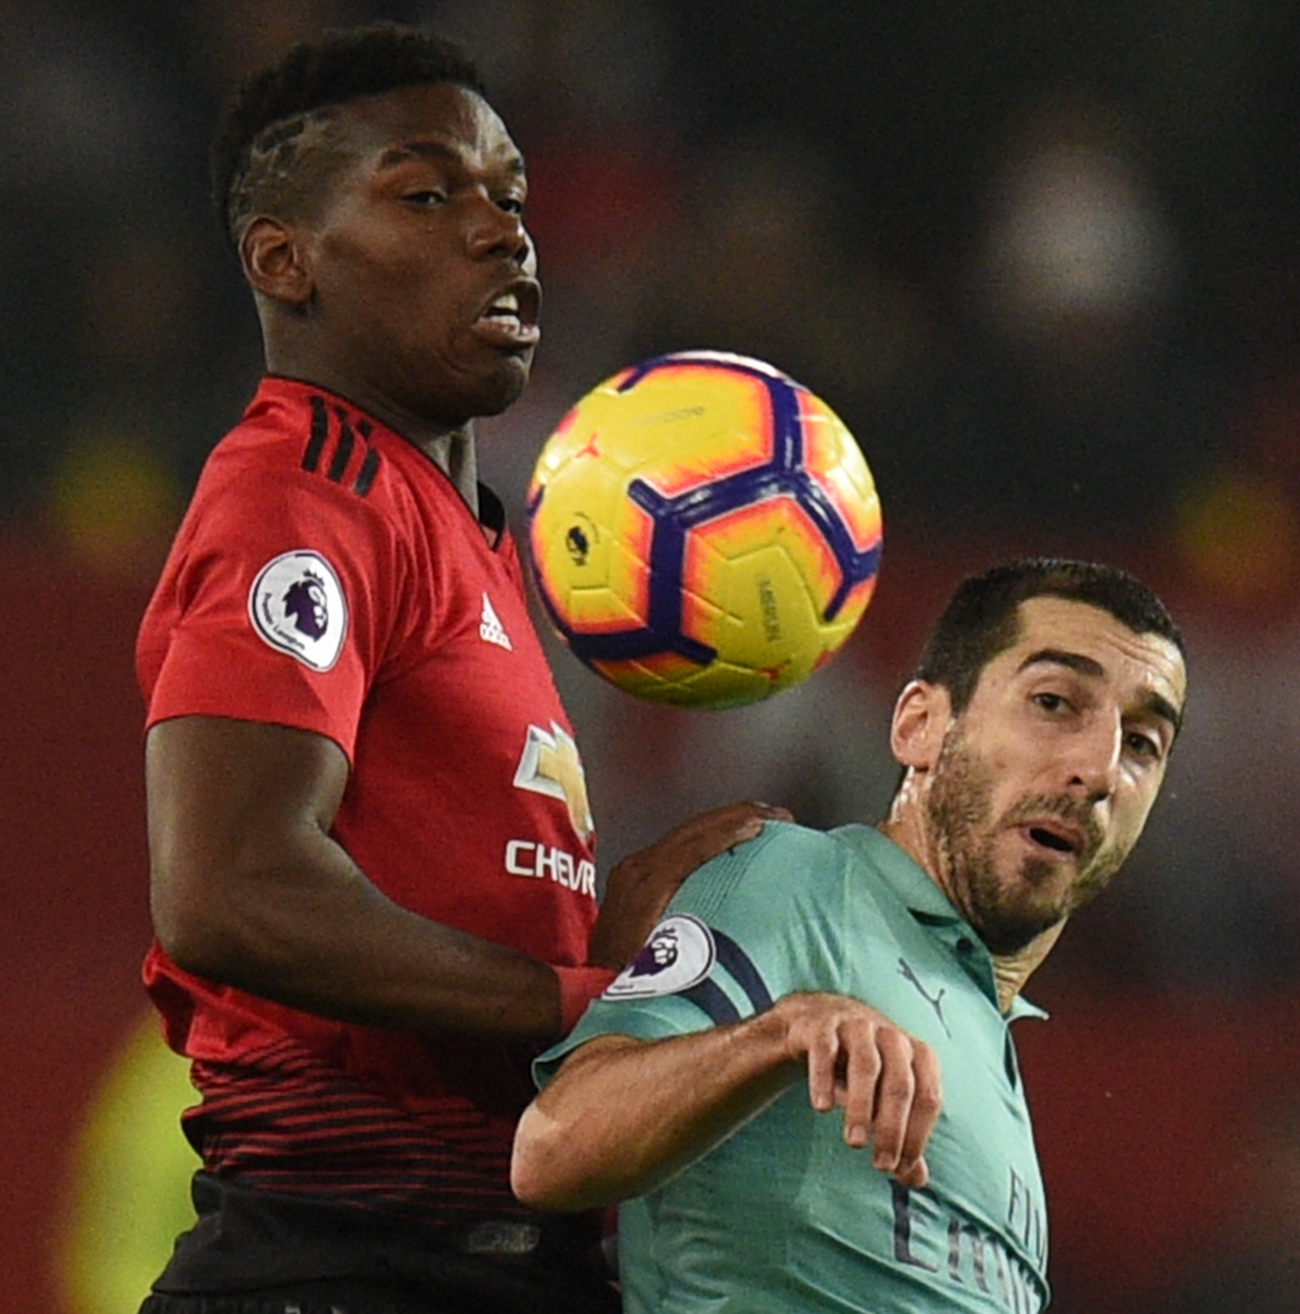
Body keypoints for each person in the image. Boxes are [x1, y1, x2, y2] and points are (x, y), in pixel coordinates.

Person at [134, 24, 779, 1314]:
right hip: (338, 1263)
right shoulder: (302, 492)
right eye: (427, 195)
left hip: (492, 1266)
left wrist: (612, 925)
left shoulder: (464, 534)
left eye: (511, 198)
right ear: (284, 259)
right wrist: (586, 997)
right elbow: (227, 884)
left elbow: (425, 913)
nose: (502, 234)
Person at [512, 557, 1188, 1314]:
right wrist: (783, 1031)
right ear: (920, 725)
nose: (1097, 770)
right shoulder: (800, 880)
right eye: (1055, 702)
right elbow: (552, 1150)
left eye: (1142, 744)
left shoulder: (989, 1044)